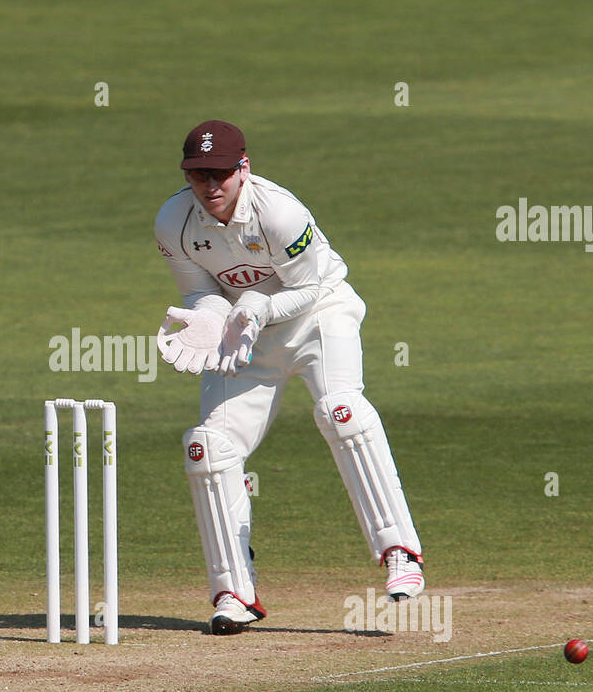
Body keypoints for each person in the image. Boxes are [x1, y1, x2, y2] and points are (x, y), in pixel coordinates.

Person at [154, 120, 423, 635]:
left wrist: (257, 305)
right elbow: (198, 291)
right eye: (198, 175)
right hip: (246, 334)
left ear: (243, 169)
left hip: (317, 316)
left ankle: (400, 552)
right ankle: (234, 591)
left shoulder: (279, 212)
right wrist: (211, 317)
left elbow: (310, 287)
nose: (211, 186)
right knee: (208, 448)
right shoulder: (173, 221)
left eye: (221, 174)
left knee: (340, 412)